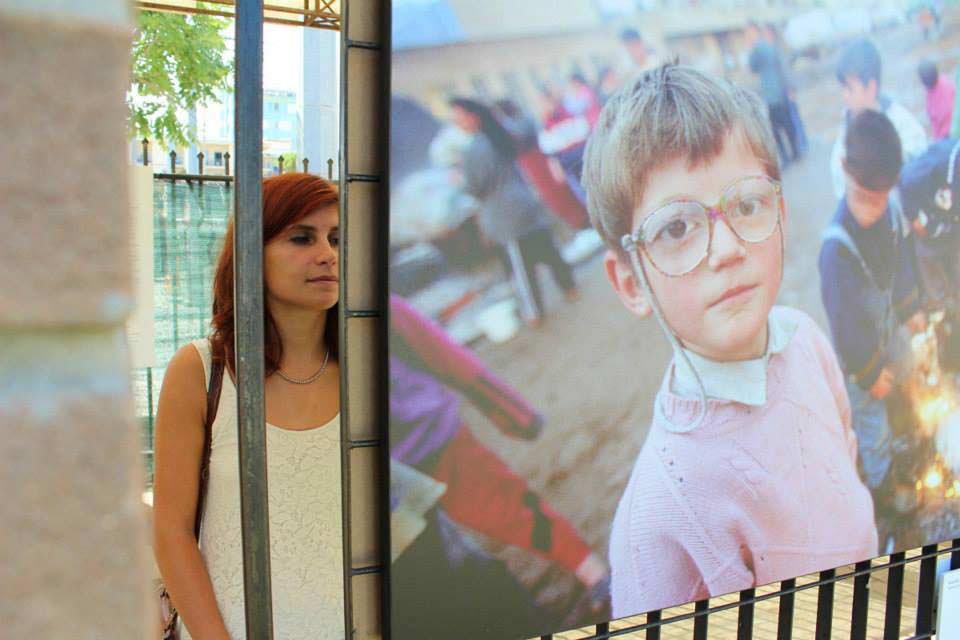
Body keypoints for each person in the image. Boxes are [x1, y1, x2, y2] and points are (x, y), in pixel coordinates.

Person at [581, 64, 877, 617]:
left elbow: (846, 449)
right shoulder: (662, 516)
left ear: (780, 214)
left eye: (745, 205)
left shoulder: (804, 336)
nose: (725, 249)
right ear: (630, 282)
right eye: (676, 228)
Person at [153, 173, 342, 639]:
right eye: (302, 237)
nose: (328, 254)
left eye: (338, 238)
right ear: (252, 253)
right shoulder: (201, 370)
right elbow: (171, 532)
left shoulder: (373, 372)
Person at [389, 294, 608, 635]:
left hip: (429, 439)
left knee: (507, 508)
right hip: (367, 485)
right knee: (424, 579)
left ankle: (590, 568)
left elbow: (443, 353)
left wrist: (512, 412)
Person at [819, 111, 927, 545]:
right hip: (861, 348)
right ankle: (882, 488)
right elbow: (843, 323)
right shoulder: (835, 250)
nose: (872, 210)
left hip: (890, 329)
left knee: (909, 373)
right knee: (872, 422)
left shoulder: (892, 210)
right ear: (844, 170)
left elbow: (904, 264)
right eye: (863, 197)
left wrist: (911, 307)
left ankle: (912, 432)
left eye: (880, 198)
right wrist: (867, 370)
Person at [449, 96, 579, 324]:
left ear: (472, 117)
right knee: (548, 251)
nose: (457, 123)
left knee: (521, 268)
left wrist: (458, 180)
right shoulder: (500, 135)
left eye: (459, 118)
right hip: (525, 203)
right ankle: (570, 288)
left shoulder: (474, 150)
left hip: (504, 215)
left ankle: (534, 312)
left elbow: (474, 187)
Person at [830, 39, 927, 198]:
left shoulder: (902, 123)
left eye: (849, 88)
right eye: (843, 88)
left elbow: (920, 161)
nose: (844, 96)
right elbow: (840, 184)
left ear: (871, 87)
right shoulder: (845, 136)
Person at [746, 20, 799, 166]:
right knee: (784, 126)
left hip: (775, 95)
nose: (748, 36)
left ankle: (788, 156)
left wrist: (789, 88)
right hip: (775, 94)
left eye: (749, 32)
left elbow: (752, 66)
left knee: (779, 129)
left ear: (755, 32)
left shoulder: (761, 47)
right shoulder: (765, 47)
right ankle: (793, 154)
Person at [917, 59, 955, 141]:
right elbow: (934, 120)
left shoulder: (946, 88)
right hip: (942, 134)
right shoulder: (930, 91)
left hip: (950, 133)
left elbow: (945, 117)